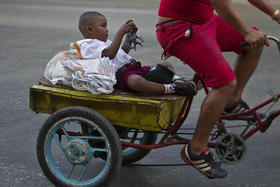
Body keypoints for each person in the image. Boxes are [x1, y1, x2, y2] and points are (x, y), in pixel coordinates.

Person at [156, 0, 280, 179]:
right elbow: (221, 4)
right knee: (225, 84)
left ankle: (232, 101)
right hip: (178, 27)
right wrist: (246, 32)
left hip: (206, 22)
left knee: (256, 43)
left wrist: (275, 15)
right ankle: (196, 148)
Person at [76, 11, 197, 96]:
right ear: (90, 29)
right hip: (121, 76)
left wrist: (129, 39)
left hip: (133, 68)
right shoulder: (86, 45)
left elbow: (120, 54)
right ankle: (170, 88)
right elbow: (110, 55)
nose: (107, 29)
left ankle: (176, 81)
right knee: (136, 81)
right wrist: (120, 33)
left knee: (165, 64)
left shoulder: (104, 42)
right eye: (103, 26)